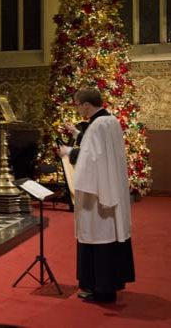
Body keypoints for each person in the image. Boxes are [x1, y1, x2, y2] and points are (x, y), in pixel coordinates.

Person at [59, 87, 135, 303]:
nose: (77, 108)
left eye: (77, 104)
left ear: (86, 104)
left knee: (98, 235)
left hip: (98, 195)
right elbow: (100, 149)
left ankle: (100, 288)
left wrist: (69, 152)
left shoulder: (97, 125)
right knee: (109, 235)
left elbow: (91, 158)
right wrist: (76, 134)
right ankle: (108, 285)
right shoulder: (109, 121)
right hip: (110, 188)